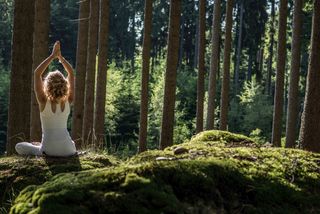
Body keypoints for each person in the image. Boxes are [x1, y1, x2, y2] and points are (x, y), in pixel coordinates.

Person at [15, 41, 76, 157]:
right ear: (64, 84)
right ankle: (44, 146)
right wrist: (61, 58)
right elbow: (71, 74)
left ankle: (40, 146)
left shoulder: (43, 100)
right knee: (71, 142)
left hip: (48, 150)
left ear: (47, 85)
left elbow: (37, 73)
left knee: (19, 146)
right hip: (69, 149)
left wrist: (52, 56)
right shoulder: (69, 100)